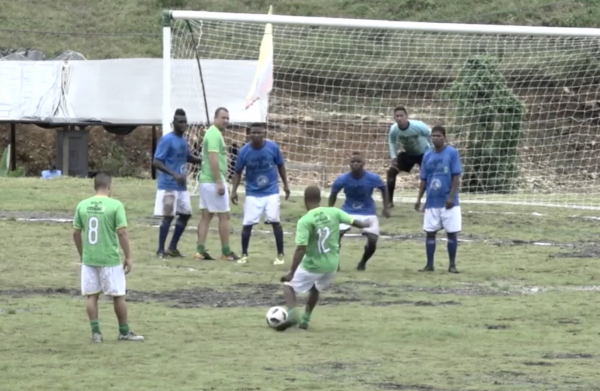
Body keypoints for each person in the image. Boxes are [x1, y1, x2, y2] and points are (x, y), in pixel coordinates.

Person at [278, 186, 370, 331]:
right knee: (315, 288)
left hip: (313, 265)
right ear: (320, 199)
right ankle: (305, 319)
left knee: (289, 287)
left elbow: (301, 248)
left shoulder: (305, 220)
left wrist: (291, 272)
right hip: (332, 266)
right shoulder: (334, 211)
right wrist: (366, 224)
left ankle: (292, 314)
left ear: (304, 200)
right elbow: (353, 221)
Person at [72, 172, 144, 343]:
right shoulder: (115, 205)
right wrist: (128, 256)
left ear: (95, 186)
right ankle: (124, 332)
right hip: (109, 258)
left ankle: (96, 333)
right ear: (110, 186)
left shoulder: (82, 205)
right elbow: (122, 232)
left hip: (89, 258)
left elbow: (75, 233)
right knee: (118, 295)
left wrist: (82, 253)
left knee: (92, 296)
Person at [231, 123, 291, 265]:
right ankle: (244, 254)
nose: (256, 135)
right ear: (249, 134)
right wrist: (233, 191)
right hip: (252, 192)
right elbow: (238, 172)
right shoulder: (244, 151)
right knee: (247, 224)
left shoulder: (273, 147)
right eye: (253, 133)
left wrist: (286, 185)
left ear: (264, 133)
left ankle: (280, 255)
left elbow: (281, 166)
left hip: (271, 191)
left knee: (275, 221)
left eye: (259, 132)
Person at [152, 108, 202, 259]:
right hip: (168, 185)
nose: (183, 125)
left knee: (186, 214)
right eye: (180, 122)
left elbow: (187, 157)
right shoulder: (167, 140)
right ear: (173, 123)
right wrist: (173, 174)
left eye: (185, 122)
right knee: (168, 216)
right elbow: (156, 161)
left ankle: (173, 247)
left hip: (181, 186)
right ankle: (160, 249)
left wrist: (203, 159)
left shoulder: (183, 140)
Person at [329, 152, 390, 271]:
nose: (356, 164)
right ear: (349, 164)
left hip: (367, 212)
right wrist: (330, 209)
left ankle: (362, 263)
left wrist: (385, 207)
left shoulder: (372, 178)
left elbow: (384, 188)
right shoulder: (342, 179)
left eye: (358, 162)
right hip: (347, 211)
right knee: (336, 236)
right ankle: (335, 263)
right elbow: (333, 194)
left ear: (364, 163)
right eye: (353, 162)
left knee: (372, 240)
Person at [414, 125, 462, 273]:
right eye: (433, 136)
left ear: (444, 137)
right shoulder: (427, 155)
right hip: (432, 200)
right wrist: (419, 199)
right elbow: (423, 179)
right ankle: (429, 265)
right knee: (430, 232)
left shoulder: (452, 153)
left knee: (451, 233)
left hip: (448, 201)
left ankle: (452, 265)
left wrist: (451, 197)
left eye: (438, 136)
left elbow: (456, 176)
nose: (435, 138)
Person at [195, 107, 239, 261]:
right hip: (213, 182)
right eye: (223, 117)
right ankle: (226, 252)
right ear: (215, 117)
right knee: (225, 216)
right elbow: (213, 158)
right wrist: (219, 181)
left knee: (206, 216)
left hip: (206, 181)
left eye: (227, 118)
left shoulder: (214, 133)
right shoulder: (213, 134)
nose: (226, 120)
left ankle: (200, 251)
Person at [387, 105, 432, 207]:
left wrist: (433, 152)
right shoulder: (394, 129)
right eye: (397, 116)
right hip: (409, 154)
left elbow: (431, 135)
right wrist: (393, 156)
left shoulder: (418, 125)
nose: (399, 118)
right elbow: (392, 142)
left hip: (424, 153)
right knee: (391, 172)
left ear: (406, 116)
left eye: (401, 116)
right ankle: (389, 201)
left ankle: (428, 201)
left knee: (428, 177)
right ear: (394, 118)